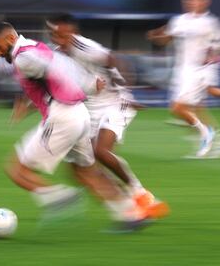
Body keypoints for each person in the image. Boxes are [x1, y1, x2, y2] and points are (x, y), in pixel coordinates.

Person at [0, 21, 149, 231]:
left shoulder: (24, 57)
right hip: (80, 114)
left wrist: (88, 83)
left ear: (10, 39)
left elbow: (55, 68)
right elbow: (58, 64)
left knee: (17, 170)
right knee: (85, 172)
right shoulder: (34, 47)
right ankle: (131, 214)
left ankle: (60, 197)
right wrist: (89, 84)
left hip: (62, 117)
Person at [46, 14, 169, 218]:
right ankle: (130, 205)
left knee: (101, 151)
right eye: (56, 36)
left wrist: (123, 92)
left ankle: (140, 194)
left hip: (114, 102)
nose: (60, 40)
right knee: (84, 166)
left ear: (74, 33)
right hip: (90, 109)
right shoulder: (54, 55)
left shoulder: (86, 48)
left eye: (65, 35)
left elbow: (114, 60)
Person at [147, 0, 220, 158]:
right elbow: (166, 40)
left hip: (199, 70)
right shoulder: (178, 21)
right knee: (197, 109)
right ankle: (219, 145)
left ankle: (206, 133)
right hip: (181, 70)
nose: (194, 3)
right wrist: (155, 36)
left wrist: (214, 53)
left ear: (206, 1)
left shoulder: (211, 22)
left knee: (177, 108)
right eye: (190, 0)